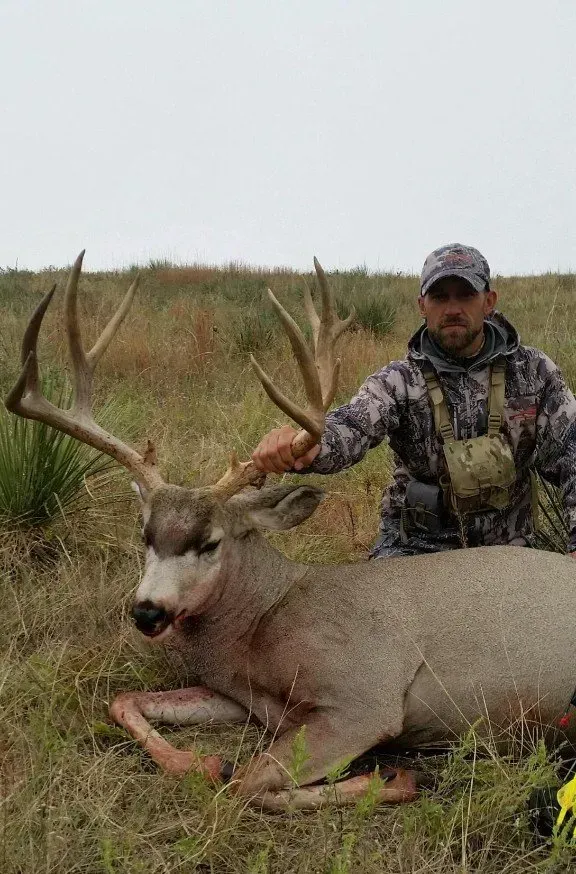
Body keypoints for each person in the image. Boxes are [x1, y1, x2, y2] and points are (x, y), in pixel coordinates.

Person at [252, 243, 576, 558]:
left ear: (488, 301)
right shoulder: (398, 381)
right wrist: (310, 446)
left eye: (466, 295)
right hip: (416, 547)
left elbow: (571, 455)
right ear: (422, 305)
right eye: (439, 297)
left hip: (509, 547)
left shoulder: (534, 373)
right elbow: (353, 425)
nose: (452, 309)